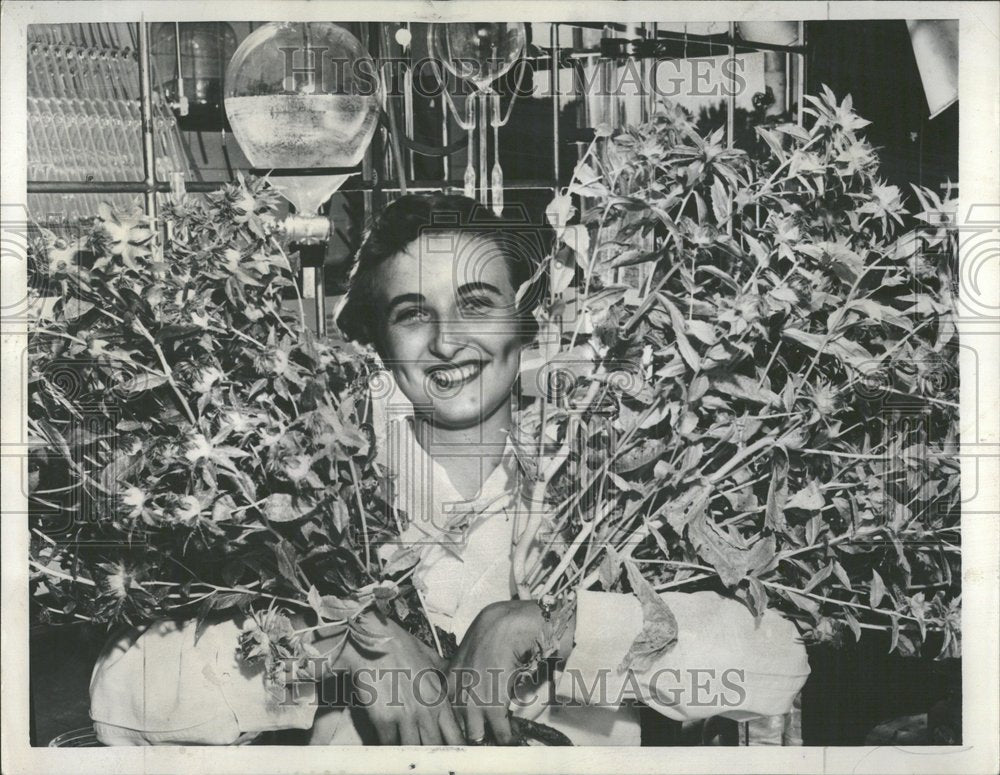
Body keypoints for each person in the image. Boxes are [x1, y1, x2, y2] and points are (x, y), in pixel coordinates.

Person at [89, 193, 809, 746]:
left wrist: (562, 627)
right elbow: (120, 696)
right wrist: (345, 653)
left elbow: (778, 663)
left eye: (476, 303)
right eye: (412, 313)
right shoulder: (314, 492)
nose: (447, 340)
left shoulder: (609, 471)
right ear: (377, 343)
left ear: (526, 325)